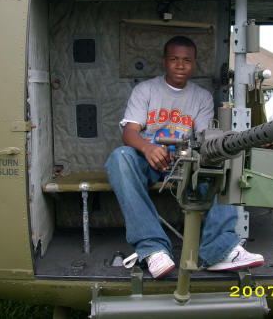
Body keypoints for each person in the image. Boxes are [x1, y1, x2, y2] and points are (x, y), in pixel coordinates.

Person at [105, 36, 264, 279]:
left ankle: (220, 250)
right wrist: (148, 148)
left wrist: (193, 155)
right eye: (174, 59)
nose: (180, 65)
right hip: (149, 160)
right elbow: (129, 132)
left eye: (187, 60)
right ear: (164, 62)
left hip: (186, 162)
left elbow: (205, 139)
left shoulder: (202, 96)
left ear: (194, 64)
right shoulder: (145, 90)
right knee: (120, 157)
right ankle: (153, 248)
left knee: (225, 162)